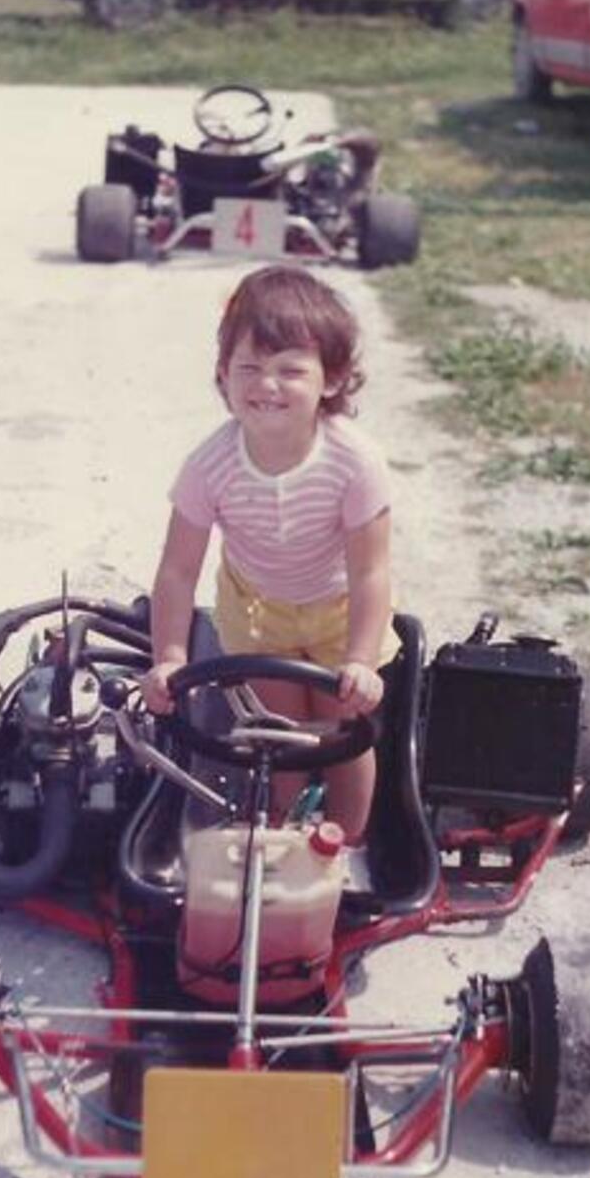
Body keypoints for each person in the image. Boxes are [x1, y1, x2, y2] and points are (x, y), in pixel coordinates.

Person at [139, 265, 395, 848]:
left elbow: (370, 571)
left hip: (339, 605)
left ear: (330, 380)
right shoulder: (210, 465)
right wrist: (169, 659)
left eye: (289, 370)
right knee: (280, 731)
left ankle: (346, 840)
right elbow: (178, 572)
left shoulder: (353, 462)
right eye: (249, 368)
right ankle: (284, 833)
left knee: (341, 728)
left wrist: (360, 659)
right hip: (257, 607)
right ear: (224, 376)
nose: (266, 385)